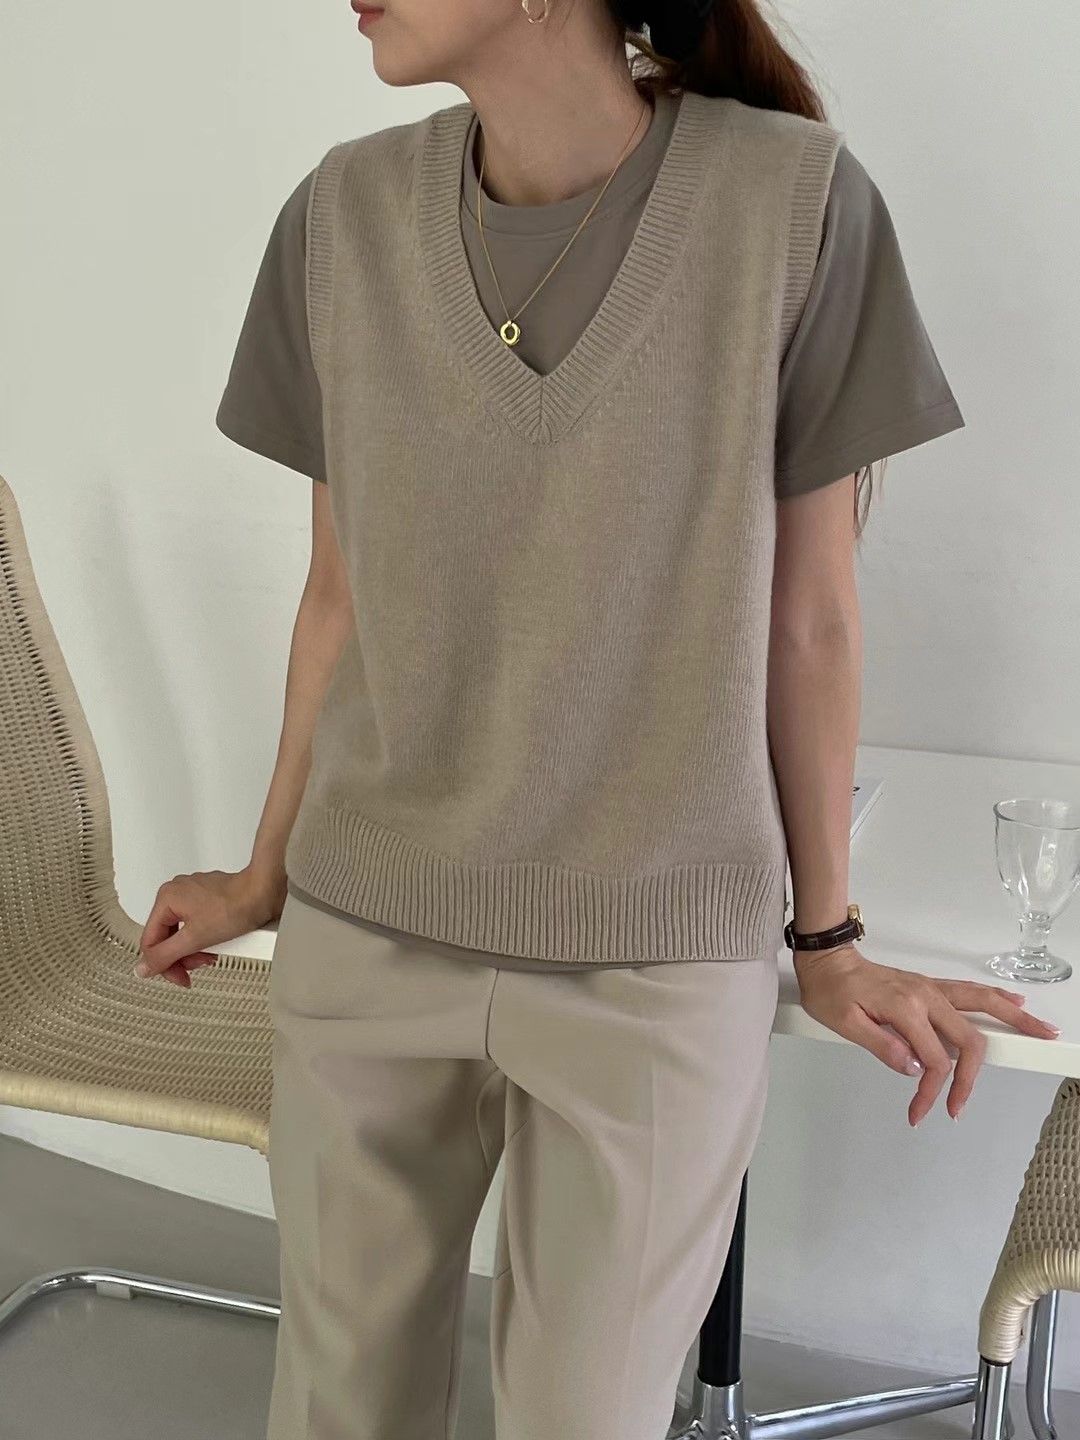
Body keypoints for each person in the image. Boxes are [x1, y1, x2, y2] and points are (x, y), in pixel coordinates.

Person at [136, 2, 1059, 1437]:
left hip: (654, 961)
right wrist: (265, 873)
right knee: (337, 1412)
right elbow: (339, 596)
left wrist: (827, 941)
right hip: (369, 929)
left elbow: (809, 618)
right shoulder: (340, 220)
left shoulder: (793, 207)